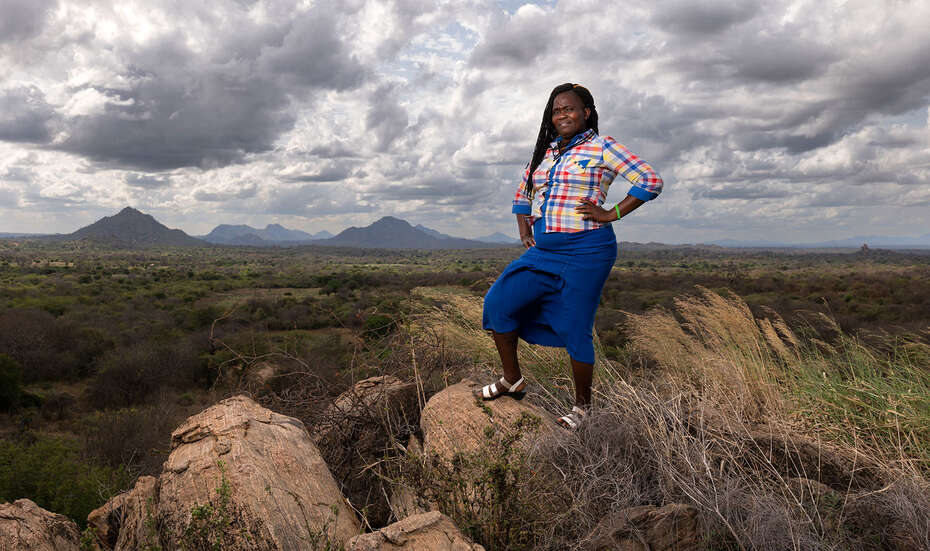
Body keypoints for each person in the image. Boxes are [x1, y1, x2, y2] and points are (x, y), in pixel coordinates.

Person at [475, 83, 663, 429]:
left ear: (586, 113)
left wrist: (611, 213)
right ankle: (512, 379)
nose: (562, 115)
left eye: (570, 109)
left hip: (588, 251)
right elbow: (523, 191)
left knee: (577, 327)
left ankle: (582, 408)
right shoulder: (546, 153)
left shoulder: (602, 146)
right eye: (556, 111)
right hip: (545, 251)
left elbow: (650, 180)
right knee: (498, 302)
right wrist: (524, 230)